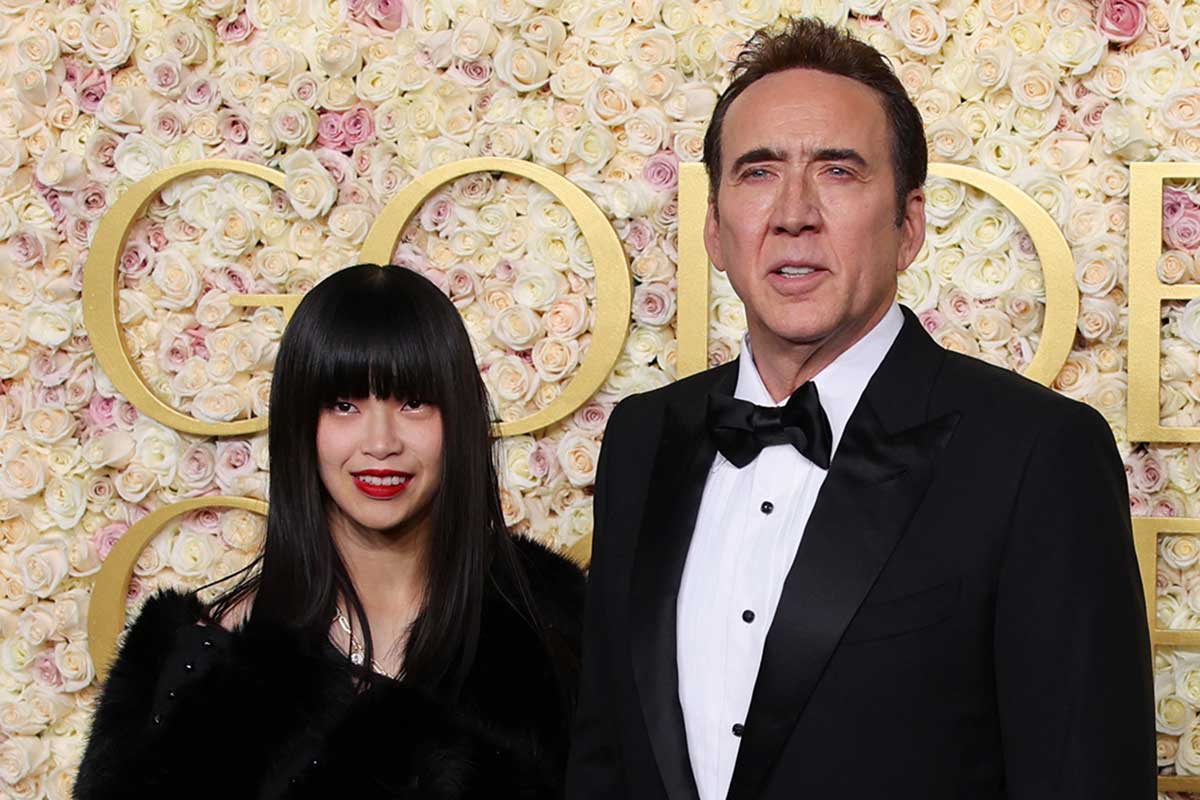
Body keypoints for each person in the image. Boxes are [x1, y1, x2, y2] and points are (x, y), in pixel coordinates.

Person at [567, 18, 1154, 800]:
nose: (794, 213)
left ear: (909, 226)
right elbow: (604, 759)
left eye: (838, 172)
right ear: (713, 227)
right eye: (757, 172)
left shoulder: (1037, 454)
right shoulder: (641, 438)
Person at [76, 264, 585, 799]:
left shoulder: (550, 630)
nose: (381, 443)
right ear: (300, 425)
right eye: (344, 406)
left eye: (413, 402)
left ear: (457, 418)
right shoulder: (213, 663)